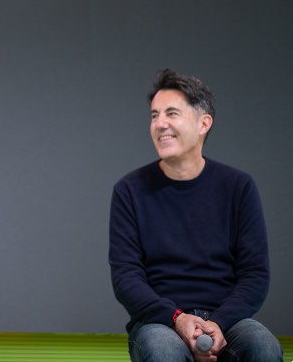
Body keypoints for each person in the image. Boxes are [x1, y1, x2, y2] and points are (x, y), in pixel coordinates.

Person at [109, 69, 283, 362]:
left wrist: (218, 323)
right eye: (154, 115)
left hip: (227, 320)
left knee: (263, 347)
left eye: (171, 113)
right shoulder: (129, 190)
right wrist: (177, 317)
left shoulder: (238, 187)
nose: (160, 124)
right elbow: (126, 277)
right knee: (163, 351)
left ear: (204, 123)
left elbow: (255, 274)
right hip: (160, 322)